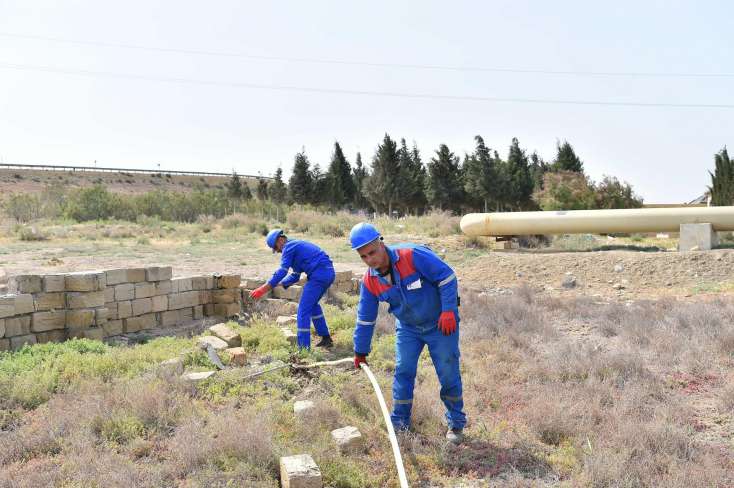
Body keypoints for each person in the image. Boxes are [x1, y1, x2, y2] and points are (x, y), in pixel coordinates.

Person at [350, 222, 467, 444]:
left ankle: (456, 422)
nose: (370, 259)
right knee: (403, 371)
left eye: (372, 252)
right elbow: (365, 318)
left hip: (440, 324)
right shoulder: (370, 281)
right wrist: (360, 351)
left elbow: (447, 277)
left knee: (447, 371)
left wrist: (449, 310)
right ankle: (400, 421)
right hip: (408, 329)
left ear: (381, 243)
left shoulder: (412, 256)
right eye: (363, 256)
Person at [249, 229, 335, 349]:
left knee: (303, 310)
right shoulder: (294, 246)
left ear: (280, 240)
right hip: (327, 273)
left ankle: (303, 348)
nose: (278, 251)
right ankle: (326, 338)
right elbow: (295, 275)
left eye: (276, 248)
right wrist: (281, 283)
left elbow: (282, 271)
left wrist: (263, 289)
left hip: (319, 275)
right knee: (313, 305)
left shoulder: (288, 247)